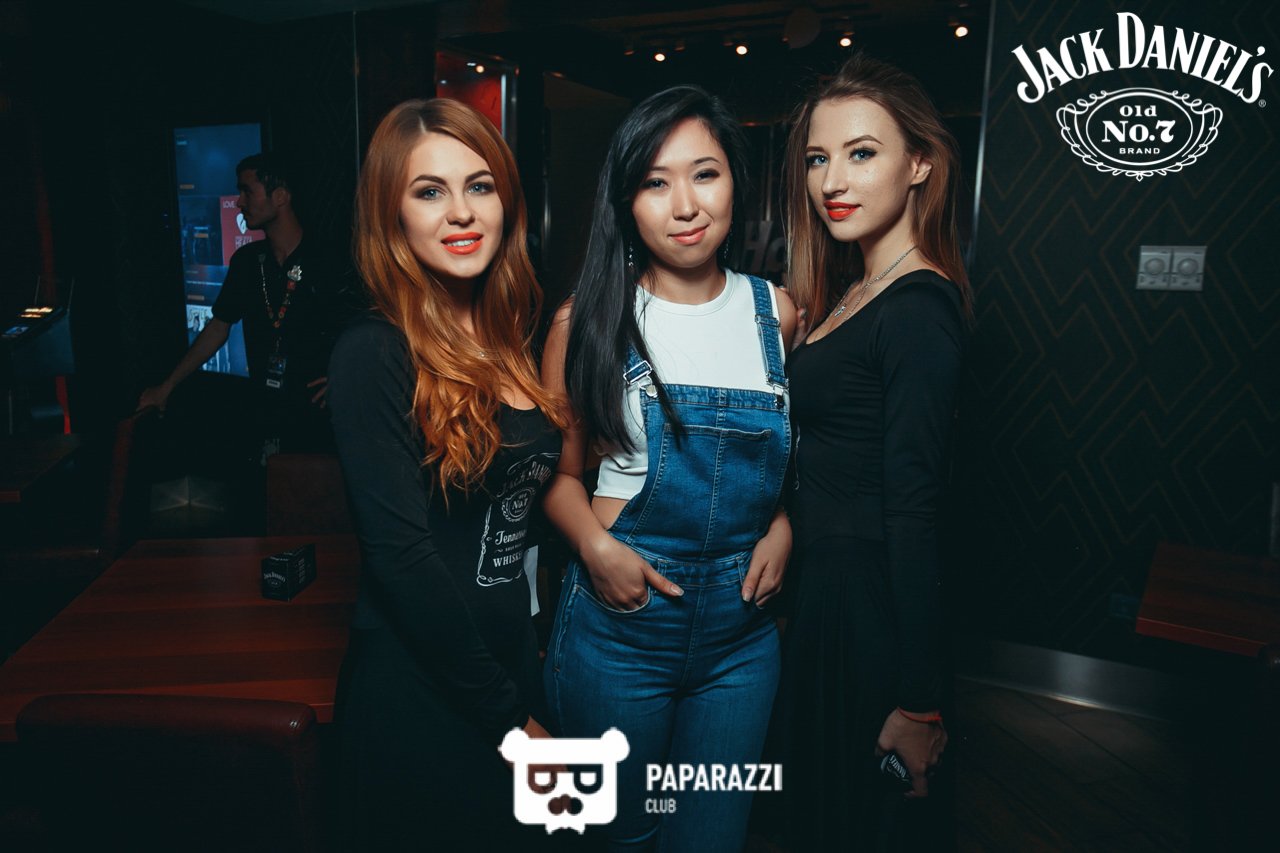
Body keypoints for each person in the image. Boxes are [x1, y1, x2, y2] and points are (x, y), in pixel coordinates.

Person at [541, 85, 797, 852]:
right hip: (621, 625)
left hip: (741, 640)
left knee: (712, 836)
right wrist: (597, 549)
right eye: (656, 182)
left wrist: (785, 525)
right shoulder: (585, 321)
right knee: (617, 837)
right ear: (626, 202)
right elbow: (560, 478)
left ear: (735, 182)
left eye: (704, 174)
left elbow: (789, 463)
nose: (685, 205)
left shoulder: (779, 314)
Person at [327, 99, 565, 850]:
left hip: (507, 667)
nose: (461, 212)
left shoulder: (506, 338)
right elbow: (400, 558)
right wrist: (511, 723)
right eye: (429, 191)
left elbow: (518, 522)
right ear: (390, 213)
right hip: (423, 693)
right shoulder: (374, 351)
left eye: (479, 185)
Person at [775, 53, 972, 850]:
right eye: (818, 158)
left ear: (919, 164)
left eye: (862, 153)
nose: (833, 180)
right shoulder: (855, 292)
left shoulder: (918, 307)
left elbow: (915, 508)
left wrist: (919, 699)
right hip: (825, 594)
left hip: (868, 612)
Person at [138, 153, 352, 456]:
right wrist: (167, 386)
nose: (239, 202)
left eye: (247, 191)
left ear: (280, 197)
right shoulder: (247, 261)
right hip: (265, 408)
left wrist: (346, 375)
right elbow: (218, 327)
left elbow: (366, 326)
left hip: (319, 415)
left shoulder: (328, 258)